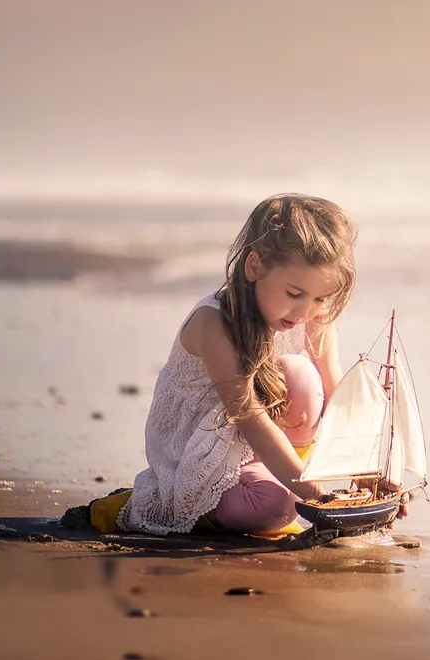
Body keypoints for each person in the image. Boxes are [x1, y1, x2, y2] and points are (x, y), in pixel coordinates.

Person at [66, 193, 408, 536]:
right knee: (273, 509)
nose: (305, 311)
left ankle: (281, 485)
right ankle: (152, 504)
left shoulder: (313, 316)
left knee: (302, 379)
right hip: (202, 453)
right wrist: (316, 495)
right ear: (254, 266)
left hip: (265, 451)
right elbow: (249, 416)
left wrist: (369, 476)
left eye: (319, 298)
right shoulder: (212, 324)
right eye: (294, 293)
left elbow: (336, 394)